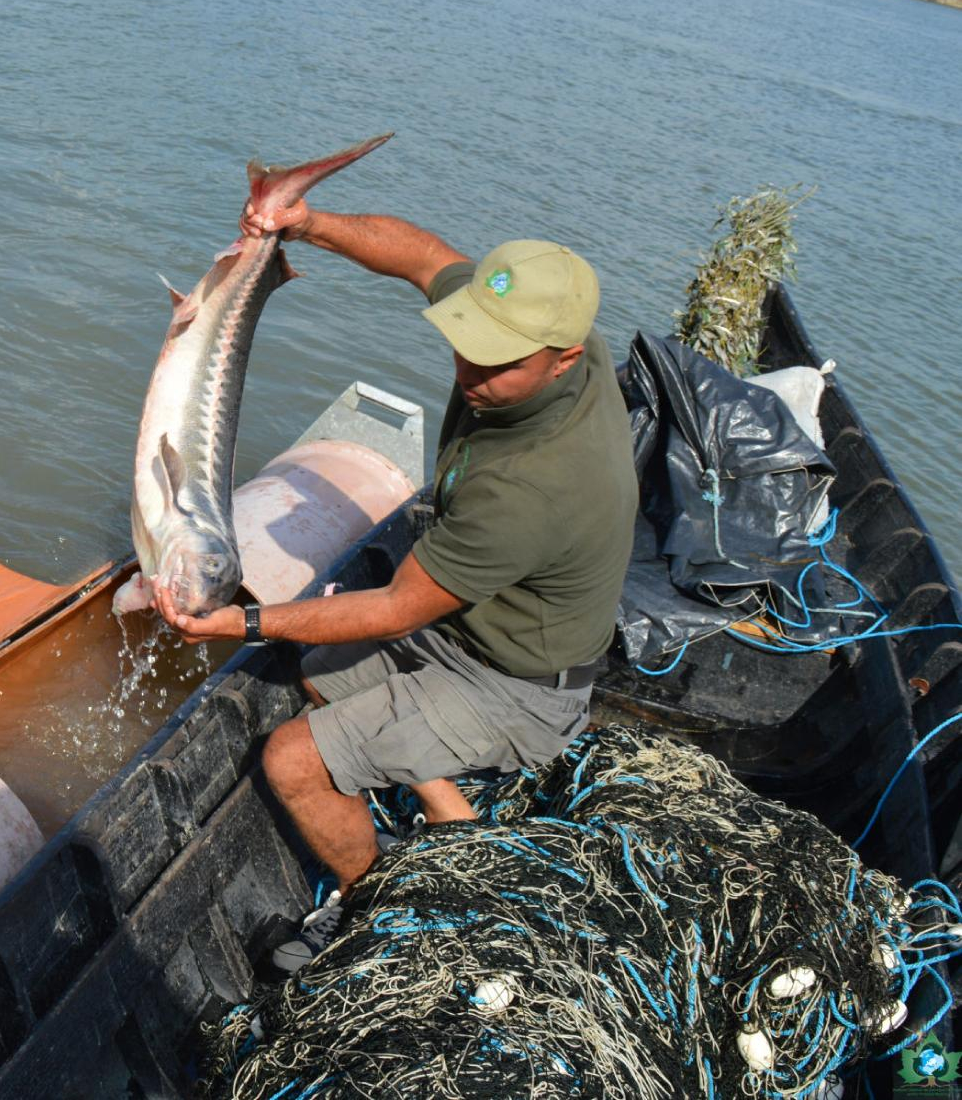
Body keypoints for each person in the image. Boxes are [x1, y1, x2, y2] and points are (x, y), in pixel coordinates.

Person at [155, 203, 637, 972]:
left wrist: (240, 621)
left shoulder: (536, 486)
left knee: (293, 760)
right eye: (468, 345)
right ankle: (449, 808)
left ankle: (374, 898)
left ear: (564, 358)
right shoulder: (543, 332)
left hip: (516, 685)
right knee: (316, 668)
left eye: (496, 363)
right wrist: (304, 221)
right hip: (475, 624)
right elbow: (420, 252)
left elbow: (392, 607)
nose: (467, 373)